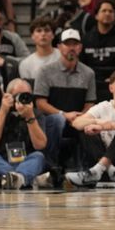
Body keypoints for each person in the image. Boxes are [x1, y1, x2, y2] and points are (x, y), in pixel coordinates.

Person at [65, 69, 115, 188]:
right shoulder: (103, 106)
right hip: (107, 170)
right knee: (86, 129)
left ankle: (99, 168)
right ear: (111, 88)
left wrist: (105, 126)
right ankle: (108, 169)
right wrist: (96, 122)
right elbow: (77, 123)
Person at [34, 29, 97, 166]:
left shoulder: (88, 73)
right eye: (67, 44)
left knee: (92, 122)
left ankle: (89, 168)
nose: (71, 48)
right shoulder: (45, 71)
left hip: (77, 118)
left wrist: (82, 116)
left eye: (75, 44)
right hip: (50, 120)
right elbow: (40, 103)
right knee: (57, 120)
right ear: (59, 47)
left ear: (80, 47)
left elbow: (90, 102)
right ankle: (50, 164)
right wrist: (64, 115)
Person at [0, 78, 49, 189]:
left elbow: (40, 145)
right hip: (1, 161)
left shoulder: (36, 114)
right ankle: (24, 178)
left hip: (26, 161)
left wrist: (29, 117)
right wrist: (3, 111)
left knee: (38, 157)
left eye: (26, 95)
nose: (22, 99)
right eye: (18, 95)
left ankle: (16, 178)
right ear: (9, 96)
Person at [80, 0, 115, 103]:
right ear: (96, 15)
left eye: (111, 11)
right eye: (104, 11)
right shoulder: (86, 38)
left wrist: (114, 78)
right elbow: (82, 64)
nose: (107, 13)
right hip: (91, 81)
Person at [19, 16, 60, 84]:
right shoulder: (25, 64)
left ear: (53, 35)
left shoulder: (63, 57)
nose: (43, 34)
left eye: (47, 30)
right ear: (32, 36)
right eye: (39, 31)